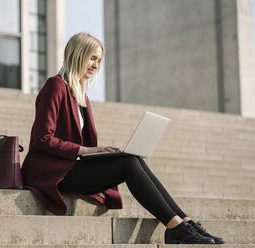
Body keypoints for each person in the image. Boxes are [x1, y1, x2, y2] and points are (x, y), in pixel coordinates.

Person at [21, 32, 224, 244]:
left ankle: (185, 221)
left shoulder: (80, 94)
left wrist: (99, 154)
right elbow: (41, 140)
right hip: (56, 173)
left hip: (74, 167)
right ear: (77, 55)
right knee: (128, 163)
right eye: (92, 58)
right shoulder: (55, 86)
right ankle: (175, 226)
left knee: (133, 159)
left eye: (99, 61)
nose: (96, 65)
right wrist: (85, 150)